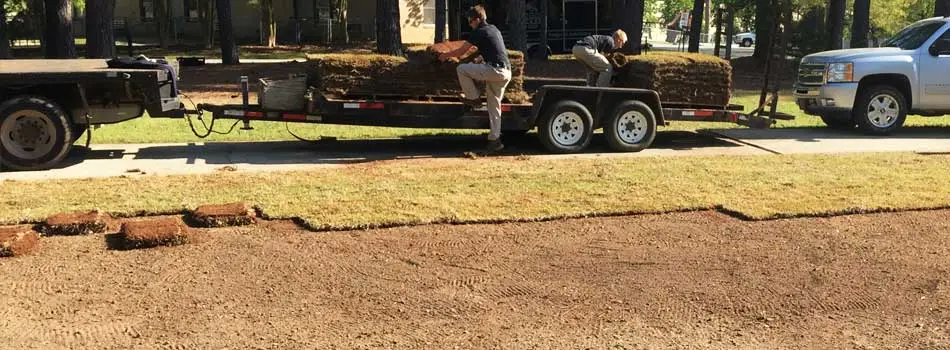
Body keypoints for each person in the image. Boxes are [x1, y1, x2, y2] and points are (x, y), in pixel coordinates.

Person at [439, 5, 511, 154]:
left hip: (495, 70)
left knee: (462, 70)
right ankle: (495, 141)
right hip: (505, 72)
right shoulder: (493, 29)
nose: (470, 24)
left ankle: (473, 98)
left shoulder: (479, 31)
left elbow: (461, 50)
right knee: (494, 107)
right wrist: (468, 59)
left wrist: (445, 56)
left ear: (477, 19)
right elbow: (480, 51)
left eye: (471, 21)